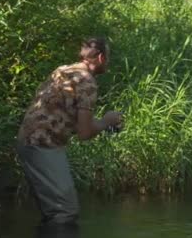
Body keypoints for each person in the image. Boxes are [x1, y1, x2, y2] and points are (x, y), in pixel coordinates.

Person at [17, 37, 122, 225]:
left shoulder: (63, 70)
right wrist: (107, 121)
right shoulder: (87, 82)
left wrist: (99, 123)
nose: (108, 62)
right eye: (108, 57)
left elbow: (63, 116)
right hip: (43, 145)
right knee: (65, 213)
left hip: (28, 141)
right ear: (100, 58)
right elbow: (84, 134)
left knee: (55, 211)